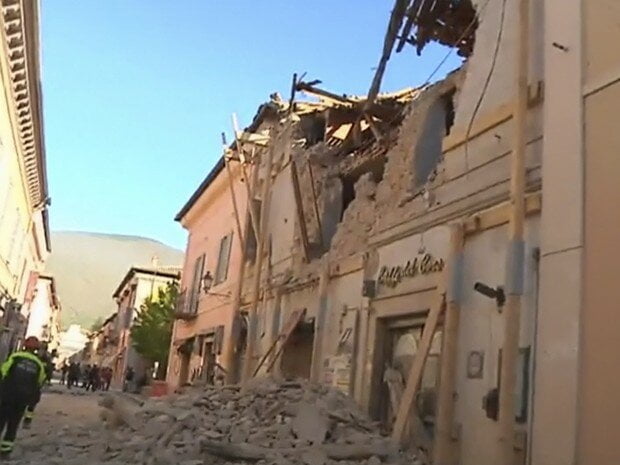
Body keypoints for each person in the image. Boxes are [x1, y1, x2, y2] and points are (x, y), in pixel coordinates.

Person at [0, 336, 46, 458]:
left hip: (7, 396)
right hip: (22, 400)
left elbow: (3, 372)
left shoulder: (15, 357)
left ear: (24, 346)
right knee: (13, 426)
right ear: (36, 350)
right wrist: (30, 411)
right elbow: (39, 383)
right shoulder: (39, 364)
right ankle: (5, 452)